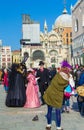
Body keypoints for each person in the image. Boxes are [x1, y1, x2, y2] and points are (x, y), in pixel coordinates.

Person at [43, 60, 72, 130]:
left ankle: (48, 125)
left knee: (49, 110)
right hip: (58, 95)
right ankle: (58, 127)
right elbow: (67, 88)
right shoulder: (67, 80)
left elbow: (52, 82)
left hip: (50, 93)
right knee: (58, 111)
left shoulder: (57, 75)